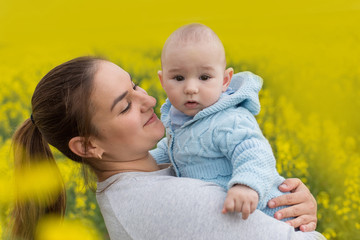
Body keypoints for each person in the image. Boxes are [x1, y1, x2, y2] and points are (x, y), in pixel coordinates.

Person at [11, 57, 324, 240]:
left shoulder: (155, 169)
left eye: (134, 86)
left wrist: (285, 202)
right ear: (88, 145)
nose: (148, 100)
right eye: (125, 107)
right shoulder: (168, 202)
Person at [151, 23, 291, 220]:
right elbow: (172, 150)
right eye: (179, 77)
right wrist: (143, 162)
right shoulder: (179, 119)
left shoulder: (230, 120)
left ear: (225, 80)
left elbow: (255, 153)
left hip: (270, 215)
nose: (191, 88)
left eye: (204, 77)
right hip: (231, 217)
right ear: (163, 81)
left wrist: (245, 185)